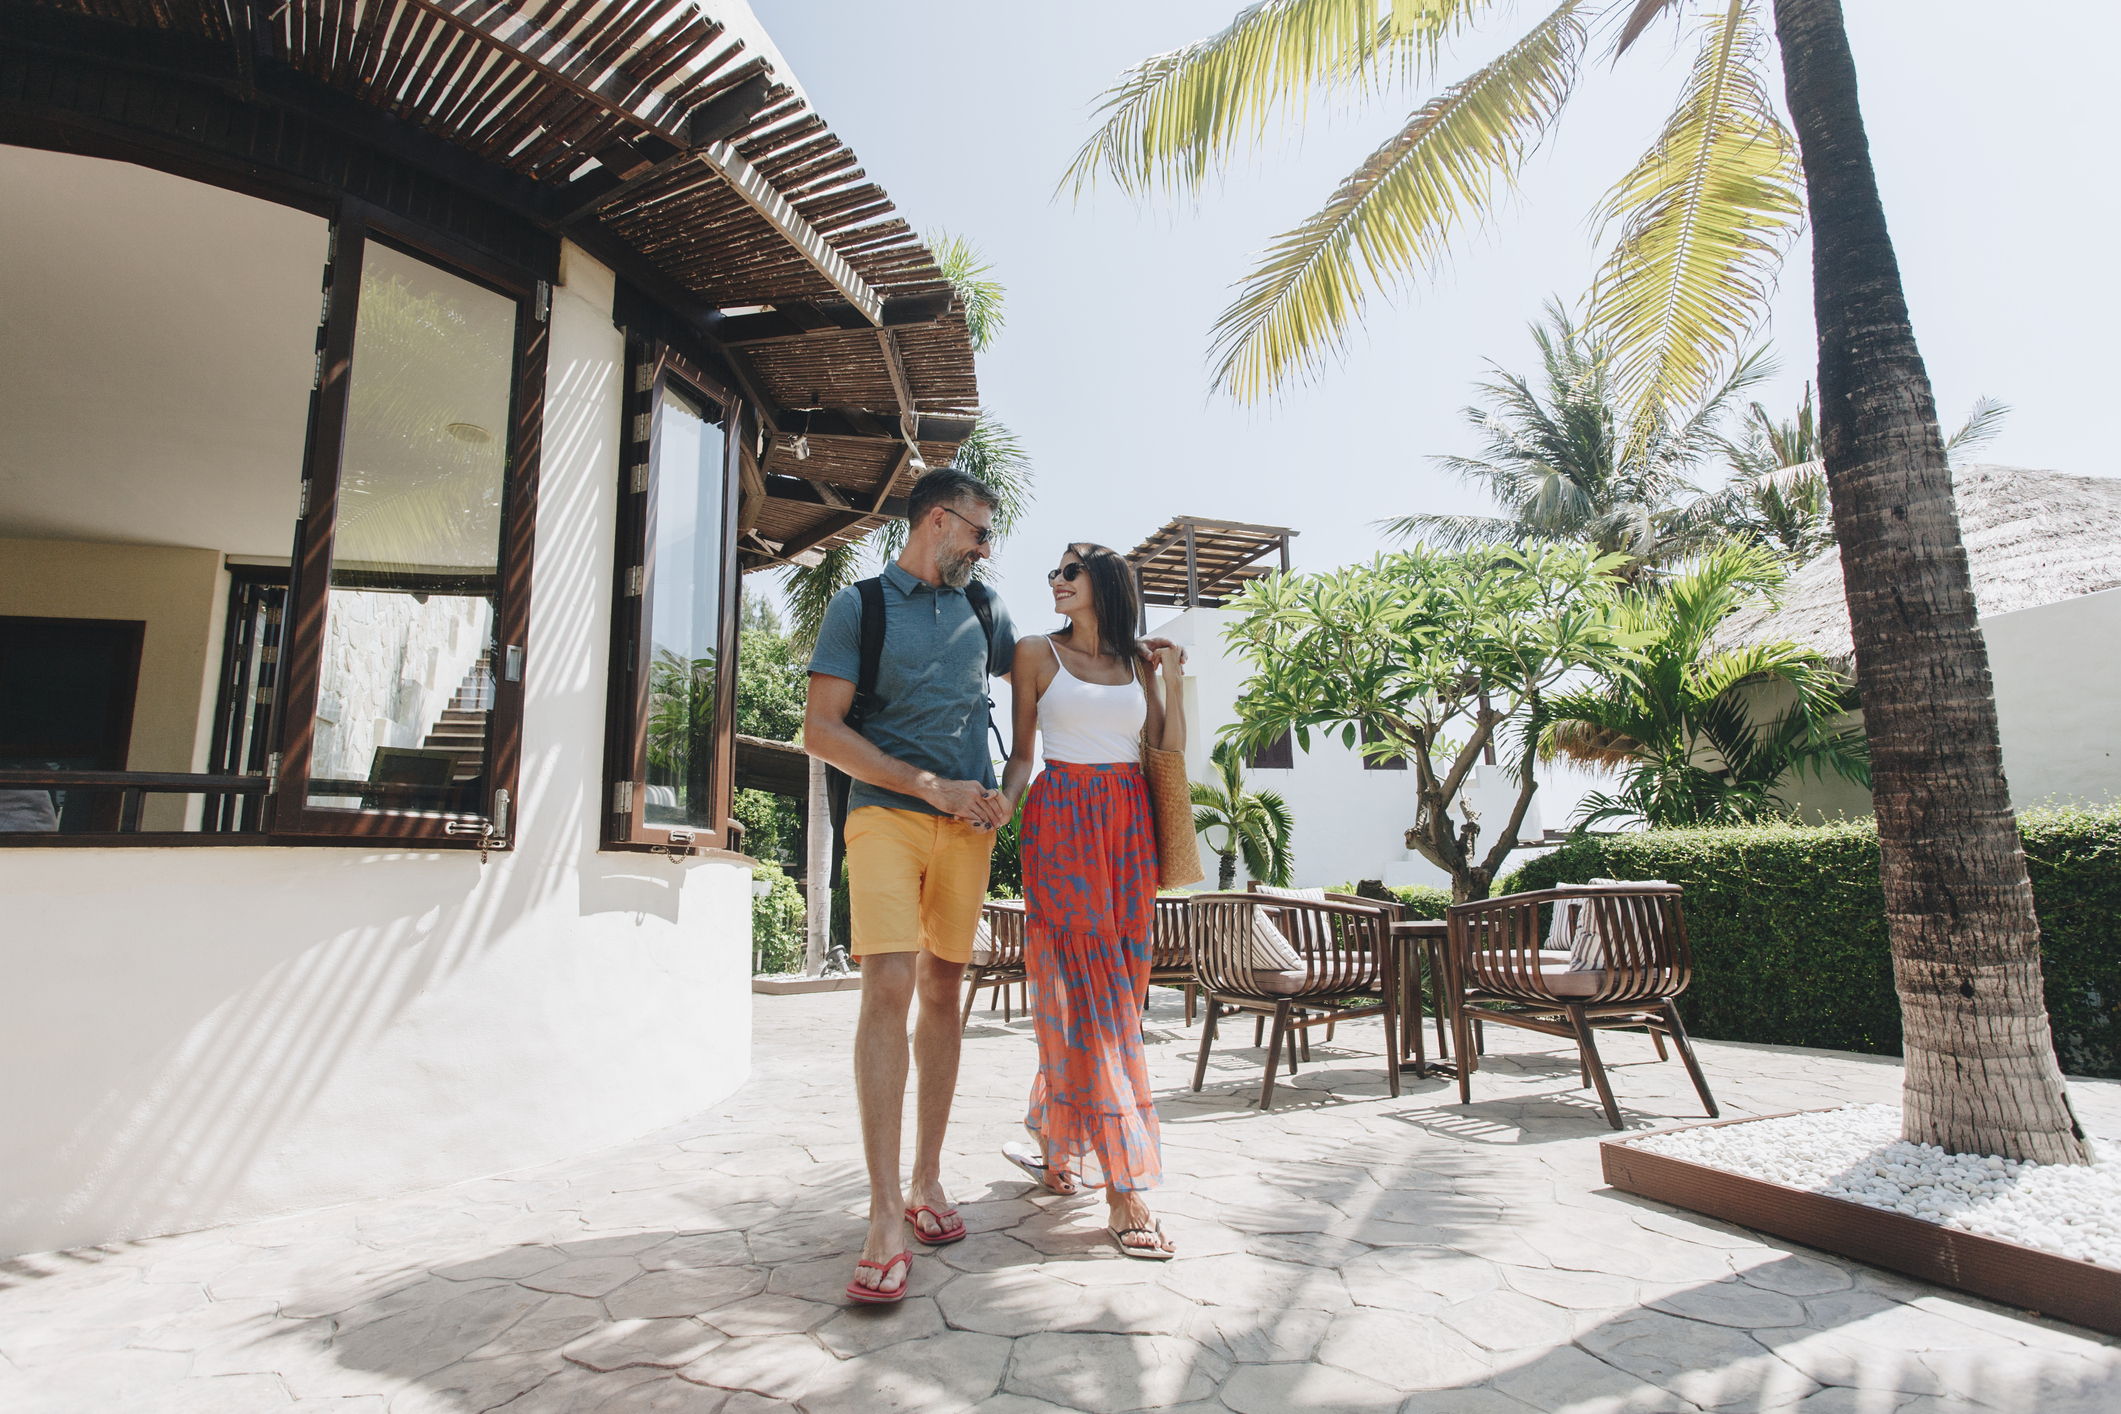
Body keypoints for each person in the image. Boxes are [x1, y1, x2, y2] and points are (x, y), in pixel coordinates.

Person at [805, 469, 1018, 1303]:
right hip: (886, 814)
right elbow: (822, 730)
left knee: (943, 989)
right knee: (888, 981)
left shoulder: (983, 608)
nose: (984, 547)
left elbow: (1039, 673)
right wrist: (926, 785)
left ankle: (928, 1180)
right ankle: (884, 1211)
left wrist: (1124, 651)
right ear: (940, 520)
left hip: (968, 826)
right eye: (979, 531)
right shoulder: (860, 608)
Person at [998, 541, 1185, 1259]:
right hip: (1061, 818)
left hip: (1128, 823)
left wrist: (1164, 677)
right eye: (1054, 571)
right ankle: (1122, 1188)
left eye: (1070, 571)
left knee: (1117, 992)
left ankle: (1056, 1139)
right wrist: (998, 813)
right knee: (1091, 991)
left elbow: (1166, 749)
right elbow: (1021, 756)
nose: (1056, 580)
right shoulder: (1033, 652)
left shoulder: (1138, 662)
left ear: (1104, 584)